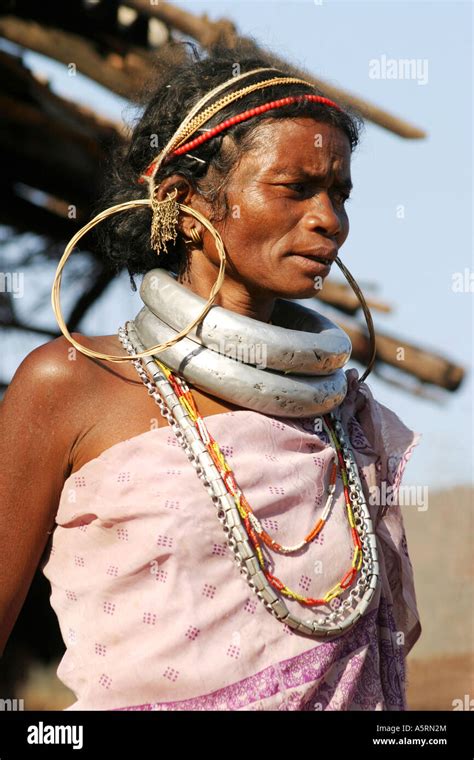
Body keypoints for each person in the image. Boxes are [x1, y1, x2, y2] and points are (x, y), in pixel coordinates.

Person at [0, 42, 422, 711]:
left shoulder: (348, 416)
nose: (329, 221)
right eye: (295, 188)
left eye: (339, 194)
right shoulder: (72, 384)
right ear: (182, 200)